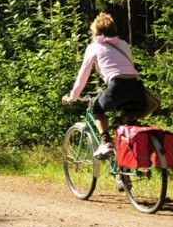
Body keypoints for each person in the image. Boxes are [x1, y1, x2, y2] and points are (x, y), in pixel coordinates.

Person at [62, 13, 146, 159]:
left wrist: (72, 97)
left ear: (96, 30)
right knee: (129, 118)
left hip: (117, 87)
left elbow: (83, 76)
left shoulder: (94, 47)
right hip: (137, 87)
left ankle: (106, 142)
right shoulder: (124, 44)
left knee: (97, 109)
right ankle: (132, 163)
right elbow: (128, 67)